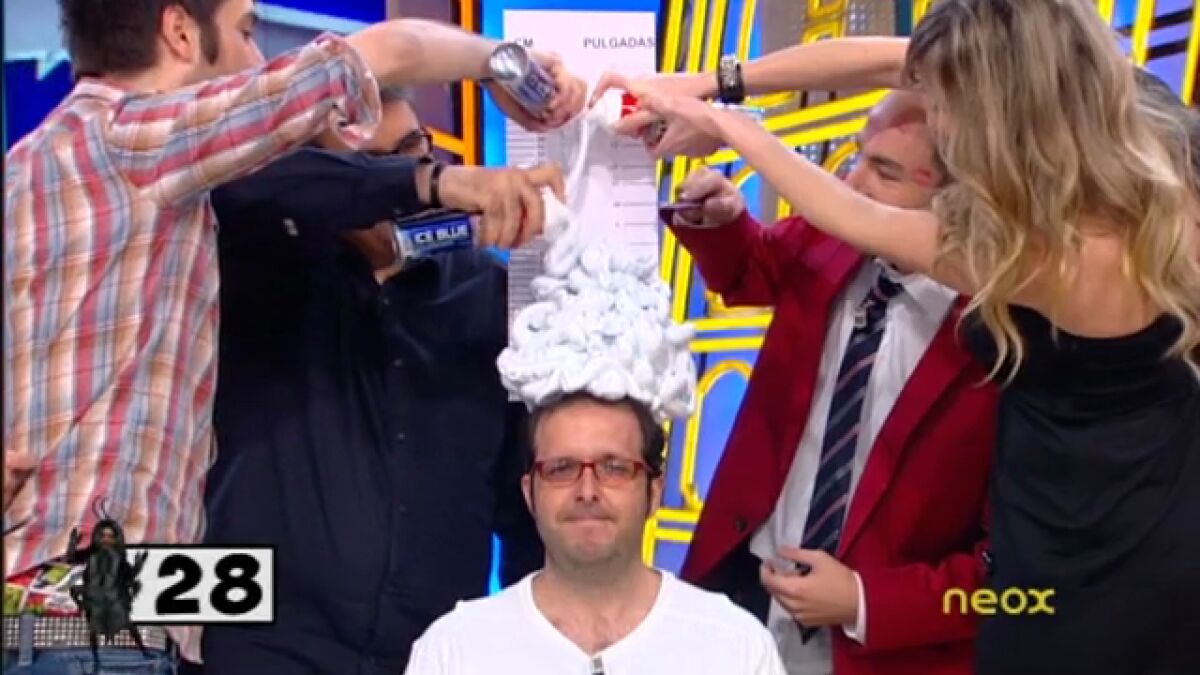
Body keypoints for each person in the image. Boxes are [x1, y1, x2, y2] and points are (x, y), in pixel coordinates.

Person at [599, 1, 1200, 673]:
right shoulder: (1101, 136)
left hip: (1079, 584)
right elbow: (883, 68)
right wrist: (713, 84)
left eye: (945, 107)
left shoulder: (1043, 261)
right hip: (784, 589)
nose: (938, 117)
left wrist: (725, 124)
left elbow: (859, 217)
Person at [3, 0, 585, 670]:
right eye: (247, 32)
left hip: (62, 604)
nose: (256, 61)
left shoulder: (30, 165)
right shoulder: (149, 145)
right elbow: (389, 50)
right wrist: (506, 70)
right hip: (103, 622)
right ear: (181, 31)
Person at [196, 88, 547, 673]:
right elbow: (226, 181)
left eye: (415, 155)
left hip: (431, 653)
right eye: (374, 167)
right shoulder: (249, 273)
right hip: (259, 648)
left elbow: (523, 503)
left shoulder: (491, 295)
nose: (406, 184)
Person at [666, 92, 996, 675]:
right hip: (746, 590)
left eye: (885, 172)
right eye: (858, 155)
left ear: (961, 197)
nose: (852, 183)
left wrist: (866, 602)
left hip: (886, 649)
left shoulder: (1011, 338)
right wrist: (723, 221)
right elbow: (753, 269)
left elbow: (1019, 580)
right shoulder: (833, 237)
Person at [404, 393, 787, 674]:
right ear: (529, 493)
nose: (587, 491)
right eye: (561, 469)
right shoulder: (455, 649)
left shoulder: (734, 645)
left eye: (614, 468)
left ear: (654, 493)